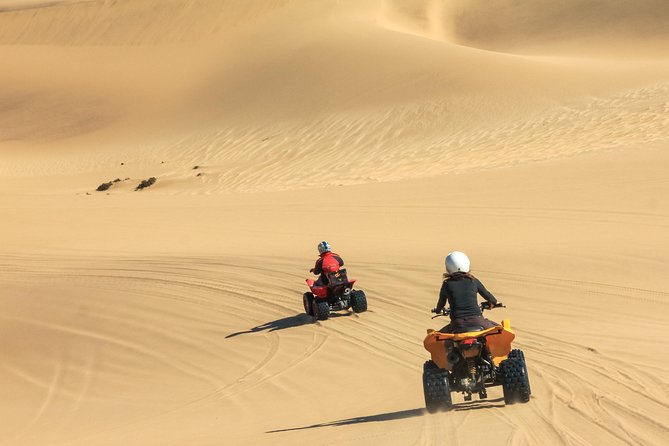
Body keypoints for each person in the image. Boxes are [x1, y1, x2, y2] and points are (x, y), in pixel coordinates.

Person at [433, 251, 500, 333]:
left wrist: (438, 310)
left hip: (457, 324)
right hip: (478, 321)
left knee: (436, 337)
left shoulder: (447, 284)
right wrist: (491, 304)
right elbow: (491, 299)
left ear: (448, 267)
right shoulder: (473, 281)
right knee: (501, 330)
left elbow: (441, 303)